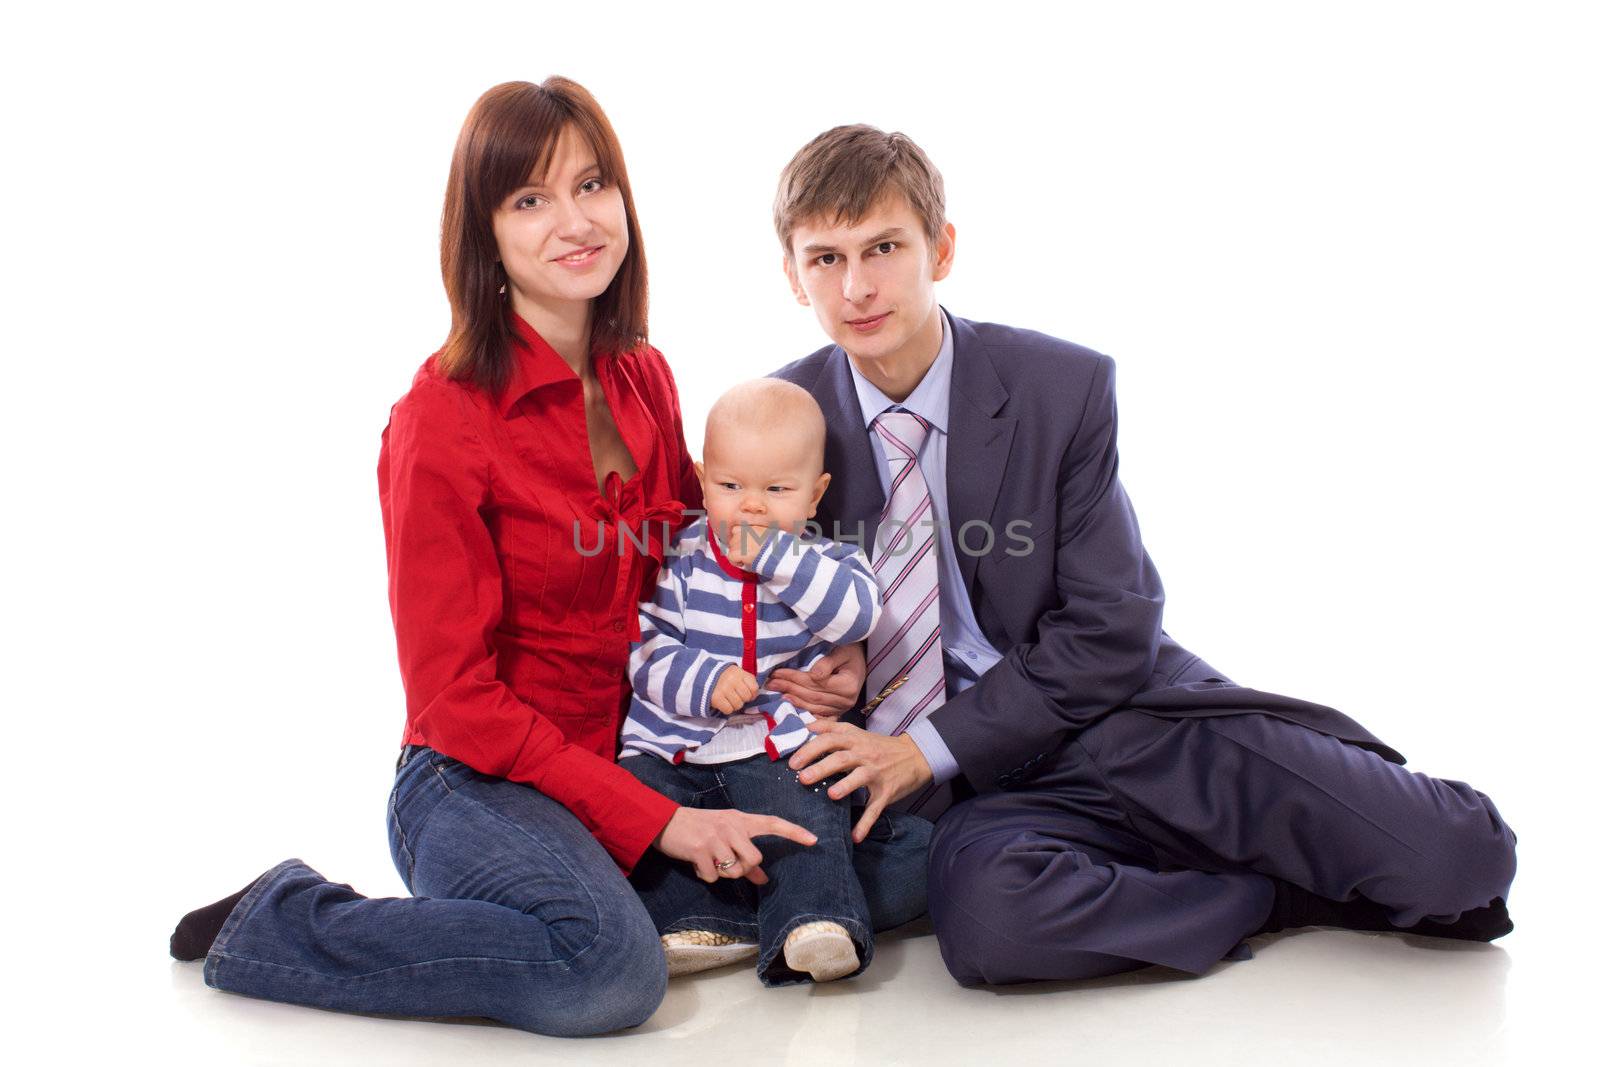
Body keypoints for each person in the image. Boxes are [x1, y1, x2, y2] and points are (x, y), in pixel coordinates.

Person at [166, 81, 929, 1037]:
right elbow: (452, 699)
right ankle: (281, 917)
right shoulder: (440, 420)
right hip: (480, 780)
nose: (574, 221)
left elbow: (721, 553)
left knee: (906, 862)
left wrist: (831, 648)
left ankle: (636, 905)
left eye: (592, 184)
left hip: (640, 758)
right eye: (530, 200)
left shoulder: (643, 377)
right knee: (603, 971)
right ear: (484, 233)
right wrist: (663, 825)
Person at [765, 124, 1519, 984]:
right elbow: (736, 611)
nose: (856, 286)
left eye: (884, 247)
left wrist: (923, 746)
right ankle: (1265, 892)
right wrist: (813, 670)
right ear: (792, 275)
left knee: (1458, 863)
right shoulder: (781, 424)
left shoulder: (1059, 388)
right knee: (988, 926)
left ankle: (1269, 841)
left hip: (1128, 726)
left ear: (940, 247)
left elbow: (1111, 627)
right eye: (824, 258)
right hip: (990, 793)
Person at [620, 378, 883, 985]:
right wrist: (704, 677)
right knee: (639, 807)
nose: (752, 507)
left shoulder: (827, 560)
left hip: (774, 743)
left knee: (812, 810)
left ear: (814, 496)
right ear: (703, 478)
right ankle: (698, 923)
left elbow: (857, 615)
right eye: (731, 486)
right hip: (673, 742)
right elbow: (643, 646)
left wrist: (776, 558)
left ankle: (815, 922)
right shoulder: (677, 560)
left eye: (777, 490)